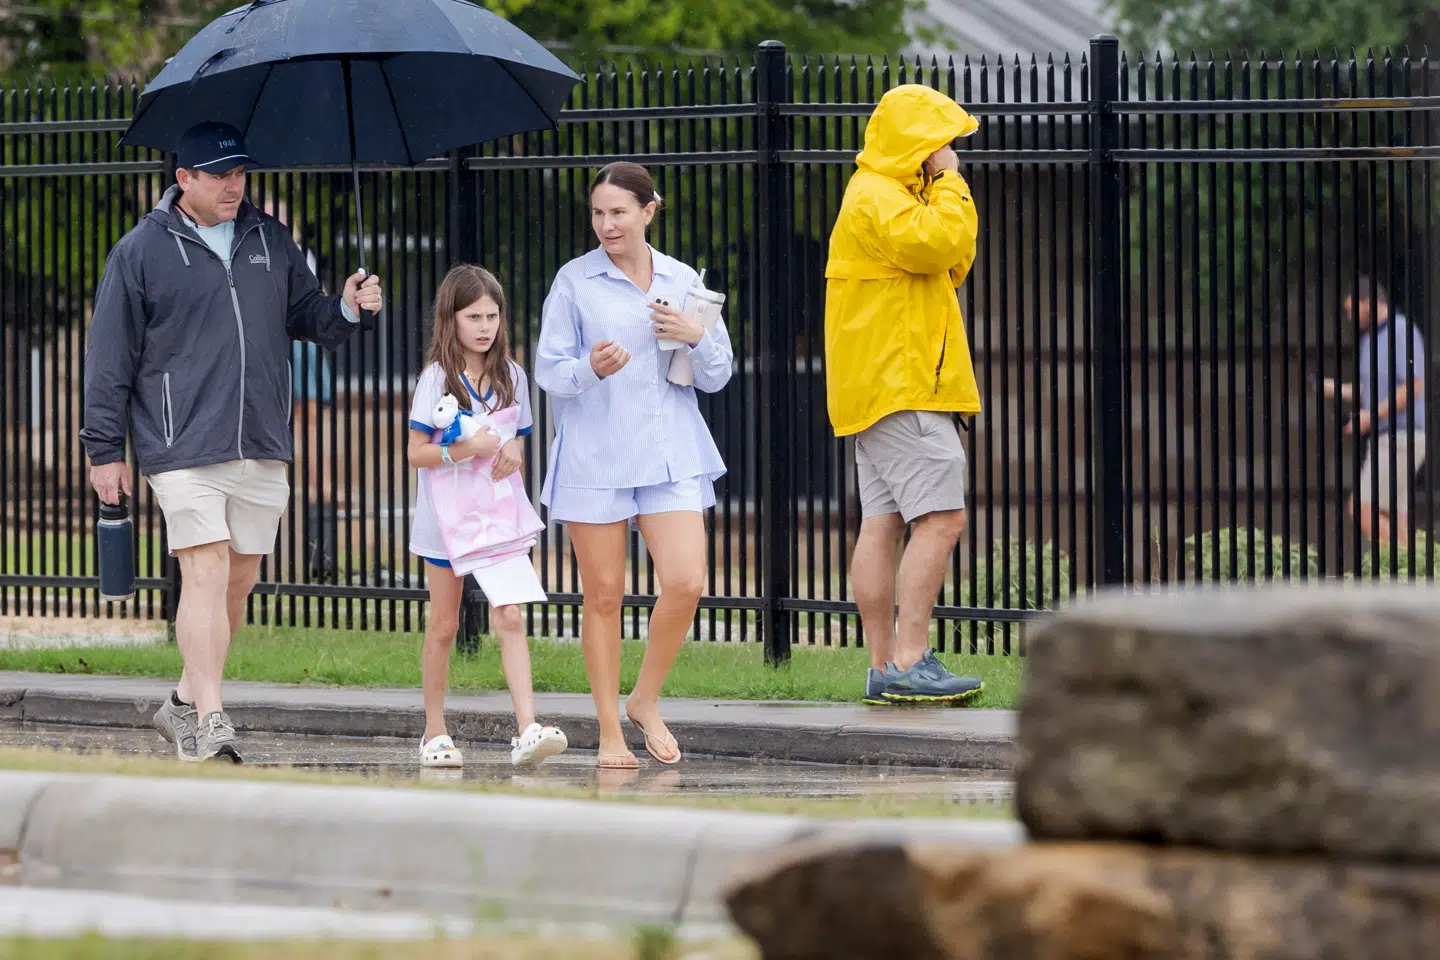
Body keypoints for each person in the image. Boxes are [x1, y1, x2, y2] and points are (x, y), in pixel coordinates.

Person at [81, 121, 383, 762]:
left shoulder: (270, 239)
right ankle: (214, 719)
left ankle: (186, 702)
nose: (233, 185)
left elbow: (310, 318)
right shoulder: (139, 252)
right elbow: (109, 357)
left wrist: (349, 306)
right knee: (205, 568)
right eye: (220, 175)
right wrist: (103, 450)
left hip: (262, 437)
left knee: (236, 583)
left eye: (240, 173)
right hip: (180, 439)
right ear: (183, 178)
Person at [535, 162, 733, 769]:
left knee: (686, 580)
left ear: (650, 211)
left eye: (619, 212)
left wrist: (695, 334)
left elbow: (718, 374)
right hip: (596, 455)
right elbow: (550, 372)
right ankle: (610, 736)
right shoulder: (574, 282)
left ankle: (644, 698)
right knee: (604, 595)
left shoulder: (682, 279)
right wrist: (589, 368)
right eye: (598, 213)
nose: (606, 224)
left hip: (671, 452)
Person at [823, 84, 986, 705]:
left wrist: (939, 192)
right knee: (942, 519)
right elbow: (944, 245)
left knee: (883, 523)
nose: (948, 152)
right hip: (902, 383)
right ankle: (909, 659)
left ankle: (885, 666)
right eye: (942, 142)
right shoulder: (880, 196)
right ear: (917, 143)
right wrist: (950, 181)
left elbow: (952, 260)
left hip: (885, 384)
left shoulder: (880, 196)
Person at [406, 264, 567, 769]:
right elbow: (415, 453)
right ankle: (434, 732)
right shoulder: (436, 380)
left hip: (497, 513)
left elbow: (515, 432)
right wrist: (463, 450)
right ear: (449, 319)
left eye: (492, 315)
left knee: (511, 614)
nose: (484, 326)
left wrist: (516, 447)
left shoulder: (512, 375)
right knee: (446, 623)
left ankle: (528, 728)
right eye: (472, 315)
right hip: (445, 518)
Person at [1324, 277, 1428, 549]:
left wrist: (1373, 416)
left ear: (1369, 303)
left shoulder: (1401, 331)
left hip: (1400, 437)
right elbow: (1369, 390)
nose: (1349, 317)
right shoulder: (1370, 340)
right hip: (1387, 437)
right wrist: (1335, 389)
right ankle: (1411, 579)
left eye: (1352, 310)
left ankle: (1403, 567)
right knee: (1392, 514)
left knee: (1361, 507)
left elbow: (1415, 384)